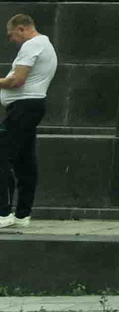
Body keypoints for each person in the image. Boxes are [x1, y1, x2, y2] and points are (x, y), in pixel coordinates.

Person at [0, 13, 57, 230]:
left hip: (24, 108)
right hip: (30, 107)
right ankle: (23, 214)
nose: (10, 40)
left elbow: (16, 80)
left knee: (1, 155)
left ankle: (3, 213)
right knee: (24, 161)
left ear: (22, 29)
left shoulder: (32, 45)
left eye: (11, 35)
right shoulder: (45, 45)